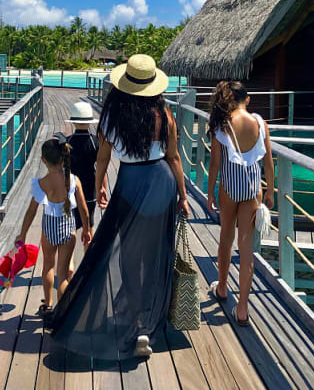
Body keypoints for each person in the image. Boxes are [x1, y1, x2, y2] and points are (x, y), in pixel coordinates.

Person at [49, 54, 190, 360]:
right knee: (155, 253)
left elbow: (103, 158)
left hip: (130, 182)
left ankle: (137, 323)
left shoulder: (113, 116)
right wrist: (182, 194)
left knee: (128, 255)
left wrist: (99, 184)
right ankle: (147, 323)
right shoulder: (165, 116)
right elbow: (174, 158)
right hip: (162, 184)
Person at [206, 81, 274, 326]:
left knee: (226, 237)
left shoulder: (222, 124)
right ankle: (243, 309)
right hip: (253, 186)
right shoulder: (259, 122)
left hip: (230, 183)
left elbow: (215, 163)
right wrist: (271, 191)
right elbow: (268, 162)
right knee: (246, 248)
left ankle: (223, 287)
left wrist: (210, 191)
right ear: (247, 99)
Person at [15, 138, 92, 314]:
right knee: (63, 274)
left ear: (44, 160)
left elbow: (31, 212)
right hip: (67, 228)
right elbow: (84, 210)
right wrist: (86, 230)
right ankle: (63, 312)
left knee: (48, 266)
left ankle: (48, 305)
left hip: (48, 228)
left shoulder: (41, 183)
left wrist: (23, 234)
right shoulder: (73, 180)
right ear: (64, 158)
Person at [63, 101, 107, 257]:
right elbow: (102, 167)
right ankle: (87, 263)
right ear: (89, 122)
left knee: (71, 227)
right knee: (90, 225)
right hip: (90, 189)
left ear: (74, 122)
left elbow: (63, 169)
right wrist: (102, 188)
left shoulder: (67, 143)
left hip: (71, 190)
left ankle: (69, 265)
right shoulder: (95, 142)